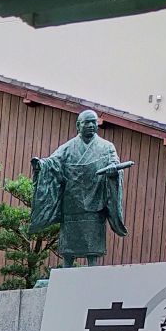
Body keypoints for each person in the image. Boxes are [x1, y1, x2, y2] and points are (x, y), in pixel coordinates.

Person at [31, 110, 129, 268]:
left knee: (93, 247)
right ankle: (66, 269)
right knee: (69, 248)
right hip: (72, 202)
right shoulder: (68, 148)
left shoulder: (106, 147)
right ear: (78, 125)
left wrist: (113, 171)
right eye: (86, 122)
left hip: (95, 201)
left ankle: (93, 271)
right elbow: (53, 163)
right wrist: (41, 165)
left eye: (93, 122)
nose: (91, 125)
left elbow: (114, 164)